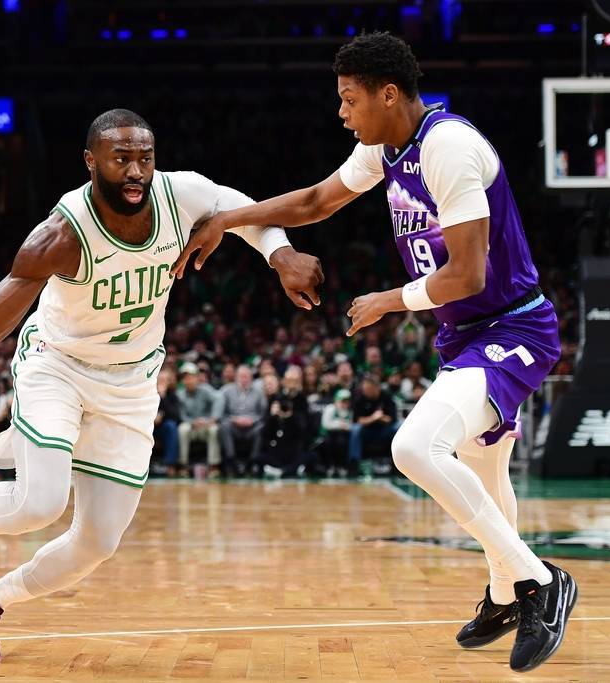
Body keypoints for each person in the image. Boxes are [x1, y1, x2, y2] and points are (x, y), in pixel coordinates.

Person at [172, 33, 575, 673]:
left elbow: (468, 273)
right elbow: (316, 201)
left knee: (413, 449)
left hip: (513, 328)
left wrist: (389, 300)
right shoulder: (383, 149)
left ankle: (539, 582)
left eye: (348, 98)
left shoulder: (447, 146)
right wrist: (229, 220)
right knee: (487, 471)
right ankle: (504, 594)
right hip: (466, 334)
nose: (341, 112)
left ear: (388, 94)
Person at [0, 109, 324, 661]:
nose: (136, 170)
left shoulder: (182, 195)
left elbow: (246, 211)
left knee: (96, 543)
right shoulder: (59, 236)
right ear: (91, 163)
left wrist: (281, 255)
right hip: (58, 366)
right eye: (121, 159)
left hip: (131, 383)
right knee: (40, 504)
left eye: (145, 157)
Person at [176, 361, 223, 476]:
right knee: (182, 429)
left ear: (197, 378)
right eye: (185, 378)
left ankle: (213, 466)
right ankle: (183, 466)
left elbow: (219, 399)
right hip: (191, 426)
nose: (189, 380)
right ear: (182, 380)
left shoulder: (205, 390)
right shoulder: (180, 394)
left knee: (214, 429)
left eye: (191, 377)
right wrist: (192, 422)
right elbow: (181, 414)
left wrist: (213, 418)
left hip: (206, 425)